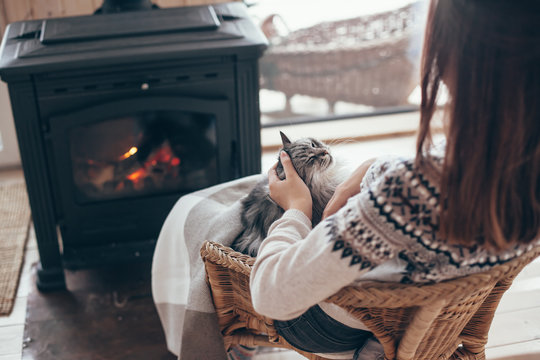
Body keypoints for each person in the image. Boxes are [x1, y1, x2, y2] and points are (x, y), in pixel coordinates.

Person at [249, 0, 540, 359]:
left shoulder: (410, 193)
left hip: (337, 324)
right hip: (441, 316)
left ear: (459, 57)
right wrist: (373, 166)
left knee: (219, 231)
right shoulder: (514, 161)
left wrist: (296, 208)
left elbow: (271, 296)